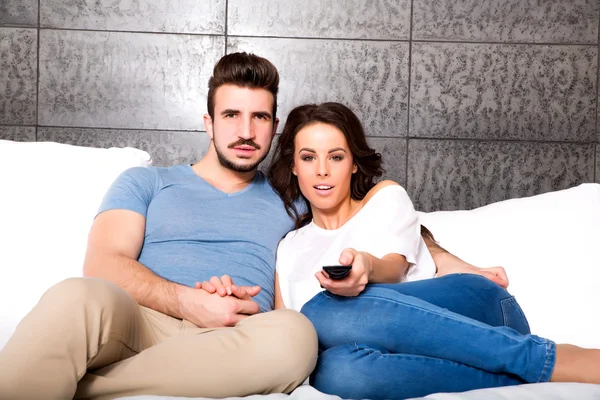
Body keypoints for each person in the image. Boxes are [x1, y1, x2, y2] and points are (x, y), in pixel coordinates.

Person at [0, 52, 319, 400]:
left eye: (260, 117)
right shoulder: (146, 182)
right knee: (76, 295)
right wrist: (188, 302)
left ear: (274, 127)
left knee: (297, 336)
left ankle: (87, 387)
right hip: (142, 322)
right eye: (231, 115)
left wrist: (387, 191)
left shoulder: (294, 200)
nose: (246, 131)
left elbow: (360, 207)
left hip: (235, 335)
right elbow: (103, 264)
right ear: (208, 123)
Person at [261, 102, 600, 400]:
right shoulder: (289, 248)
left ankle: (543, 359)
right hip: (388, 355)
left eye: (336, 156)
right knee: (337, 372)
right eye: (309, 157)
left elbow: (393, 268)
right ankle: (517, 379)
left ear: (353, 163)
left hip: (476, 310)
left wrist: (366, 267)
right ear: (294, 165)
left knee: (323, 309)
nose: (322, 169)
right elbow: (286, 336)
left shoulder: (384, 198)